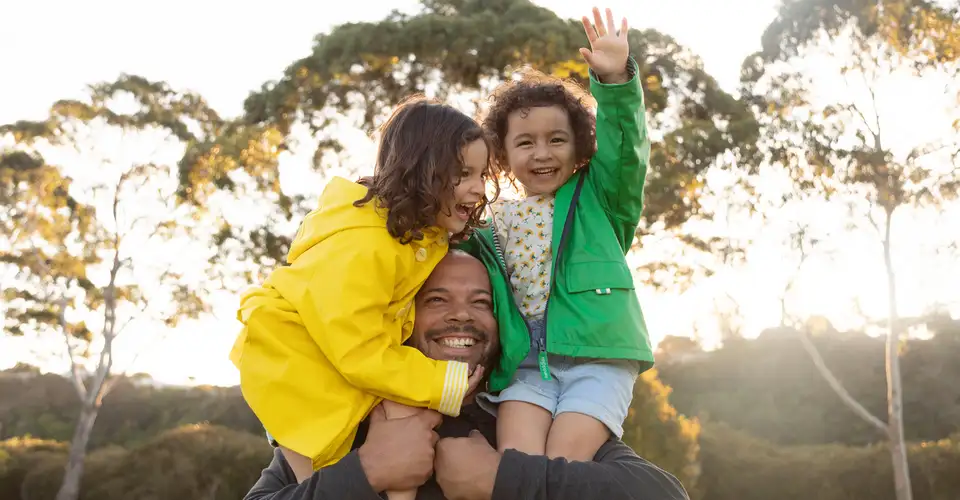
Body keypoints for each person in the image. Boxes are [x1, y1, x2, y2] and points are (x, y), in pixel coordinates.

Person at [243, 251, 690, 500]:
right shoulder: (348, 424)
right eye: (436, 300)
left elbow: (665, 496)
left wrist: (502, 477)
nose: (461, 316)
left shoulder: (529, 417)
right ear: (401, 319)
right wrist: (369, 470)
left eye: (481, 303)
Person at [228, 96, 492, 500]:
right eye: (464, 174)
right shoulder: (366, 246)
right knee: (324, 485)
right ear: (424, 171)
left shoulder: (415, 236)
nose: (478, 188)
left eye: (482, 174)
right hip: (299, 375)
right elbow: (357, 350)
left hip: (352, 365)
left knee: (404, 425)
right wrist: (440, 380)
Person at [460, 7, 655, 462]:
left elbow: (628, 150)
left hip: (597, 362)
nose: (541, 153)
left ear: (581, 146)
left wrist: (614, 84)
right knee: (518, 466)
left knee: (564, 464)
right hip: (525, 369)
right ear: (503, 155)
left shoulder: (600, 199)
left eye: (557, 139)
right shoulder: (492, 223)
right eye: (525, 142)